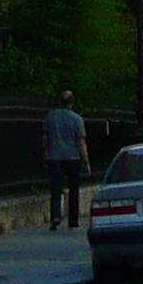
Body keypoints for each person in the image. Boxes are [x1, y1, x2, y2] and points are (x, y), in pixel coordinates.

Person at [42, 90, 88, 229]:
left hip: (55, 157)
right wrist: (86, 161)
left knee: (55, 189)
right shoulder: (77, 119)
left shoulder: (51, 116)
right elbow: (81, 142)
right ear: (72, 102)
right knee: (73, 190)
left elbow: (45, 138)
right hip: (72, 158)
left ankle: (55, 216)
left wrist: (45, 154)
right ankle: (73, 220)